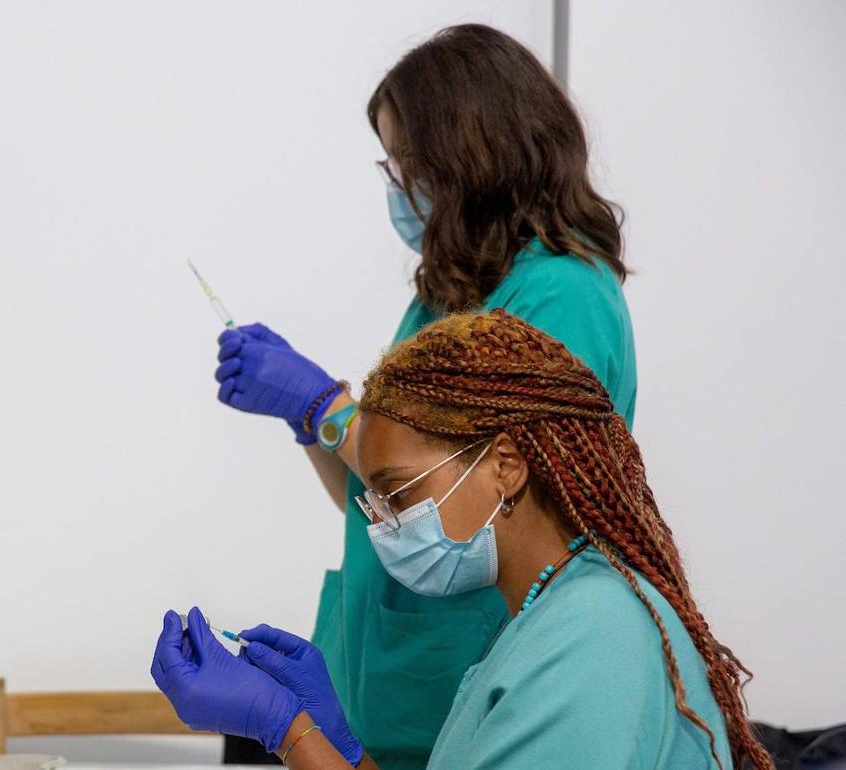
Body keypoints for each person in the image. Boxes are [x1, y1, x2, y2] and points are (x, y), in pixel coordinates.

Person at [212, 24, 635, 769]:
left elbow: (467, 489)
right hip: (395, 672)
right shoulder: (443, 294)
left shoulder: (560, 295)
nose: (397, 185)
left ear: (469, 152)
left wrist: (323, 405)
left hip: (468, 656)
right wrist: (307, 422)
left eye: (405, 160)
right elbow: (385, 497)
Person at [160, 310, 773, 770]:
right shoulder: (552, 614)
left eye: (399, 492)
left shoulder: (593, 636)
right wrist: (335, 745)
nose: (386, 524)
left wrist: (289, 732)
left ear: (506, 465)